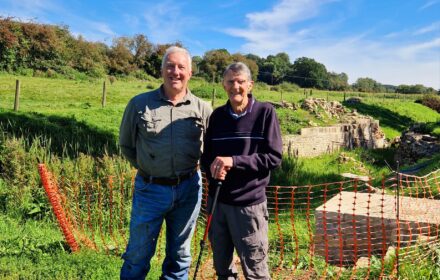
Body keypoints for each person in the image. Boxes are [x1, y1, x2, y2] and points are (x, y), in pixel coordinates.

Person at [119, 46, 212, 280]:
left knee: (179, 255)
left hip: (189, 189)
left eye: (181, 67)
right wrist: (150, 169)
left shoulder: (202, 108)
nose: (175, 72)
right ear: (161, 71)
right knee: (138, 254)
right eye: (170, 66)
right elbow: (127, 145)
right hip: (150, 189)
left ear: (190, 72)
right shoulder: (139, 104)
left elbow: (211, 149)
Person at [201, 62, 282, 280]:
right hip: (217, 203)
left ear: (250, 85)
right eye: (230, 81)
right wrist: (212, 168)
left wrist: (234, 162)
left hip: (249, 206)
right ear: (223, 85)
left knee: (255, 270)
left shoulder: (265, 112)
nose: (235, 86)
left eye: (240, 81)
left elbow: (273, 158)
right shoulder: (216, 116)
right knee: (222, 268)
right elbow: (206, 157)